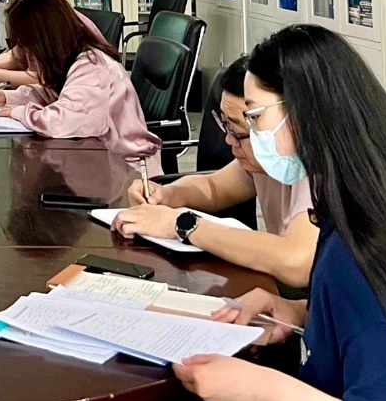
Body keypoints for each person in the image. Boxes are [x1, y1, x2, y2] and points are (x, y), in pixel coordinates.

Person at [173, 25, 386, 401]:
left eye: (254, 117)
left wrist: (259, 389)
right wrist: (298, 312)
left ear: (304, 113)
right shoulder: (374, 201)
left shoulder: (364, 254)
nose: (249, 136)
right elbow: (372, 330)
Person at [109, 56, 318, 288]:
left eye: (240, 132)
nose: (228, 140)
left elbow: (296, 262)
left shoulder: (318, 169)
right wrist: (166, 194)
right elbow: (214, 188)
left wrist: (182, 224)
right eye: (226, 126)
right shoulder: (269, 161)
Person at [0, 0, 159, 169]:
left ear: (44, 40)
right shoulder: (71, 58)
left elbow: (63, 121)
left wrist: (20, 112)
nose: (26, 53)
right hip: (94, 161)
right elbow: (53, 95)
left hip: (128, 170)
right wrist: (6, 97)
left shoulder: (93, 68)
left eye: (27, 43)